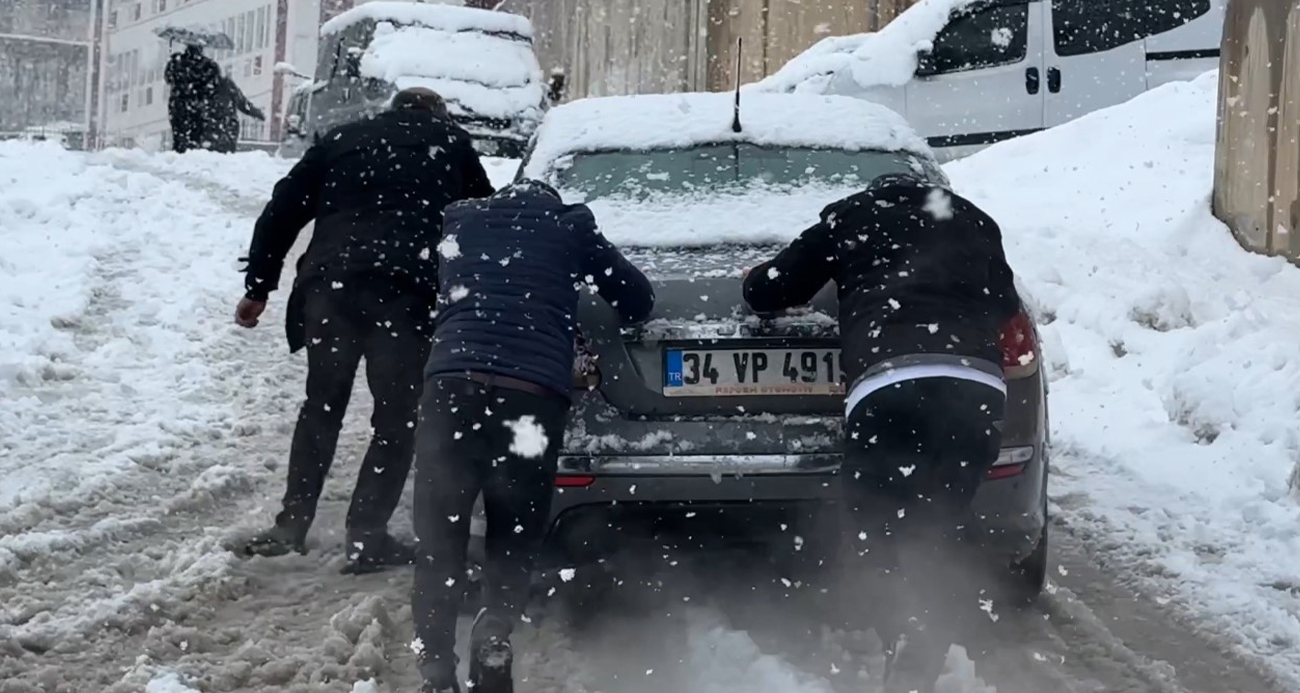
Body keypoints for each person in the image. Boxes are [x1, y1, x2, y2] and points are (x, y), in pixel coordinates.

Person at [741, 173, 1021, 693]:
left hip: (892, 383)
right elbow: (1005, 306)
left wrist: (757, 276)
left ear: (877, 191)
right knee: (939, 519)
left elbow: (770, 291)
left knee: (875, 520)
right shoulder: (974, 218)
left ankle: (887, 629)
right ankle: (923, 644)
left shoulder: (849, 216)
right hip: (974, 388)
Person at [234, 87, 495, 574]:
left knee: (322, 406)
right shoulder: (450, 143)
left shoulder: (344, 138)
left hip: (330, 288)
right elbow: (483, 218)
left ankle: (291, 525)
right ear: (436, 114)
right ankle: (365, 536)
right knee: (396, 418)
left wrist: (259, 286)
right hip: (405, 291)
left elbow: (283, 208)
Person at [410, 179, 655, 693]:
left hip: (451, 394)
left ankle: (434, 666)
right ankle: (495, 627)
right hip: (529, 401)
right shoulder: (569, 226)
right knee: (515, 526)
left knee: (439, 535)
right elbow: (637, 299)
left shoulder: (460, 220)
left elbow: (436, 289)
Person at [165, 44, 220, 153]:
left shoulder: (176, 62)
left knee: (179, 134)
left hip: (178, 104)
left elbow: (168, 78)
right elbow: (214, 86)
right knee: (195, 135)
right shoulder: (209, 65)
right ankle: (191, 152)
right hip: (197, 105)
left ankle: (179, 152)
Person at [211, 74, 266, 154]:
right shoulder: (227, 85)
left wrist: (258, 113)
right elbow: (244, 103)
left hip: (221, 130)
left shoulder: (225, 85)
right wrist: (257, 113)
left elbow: (244, 103)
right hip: (226, 129)